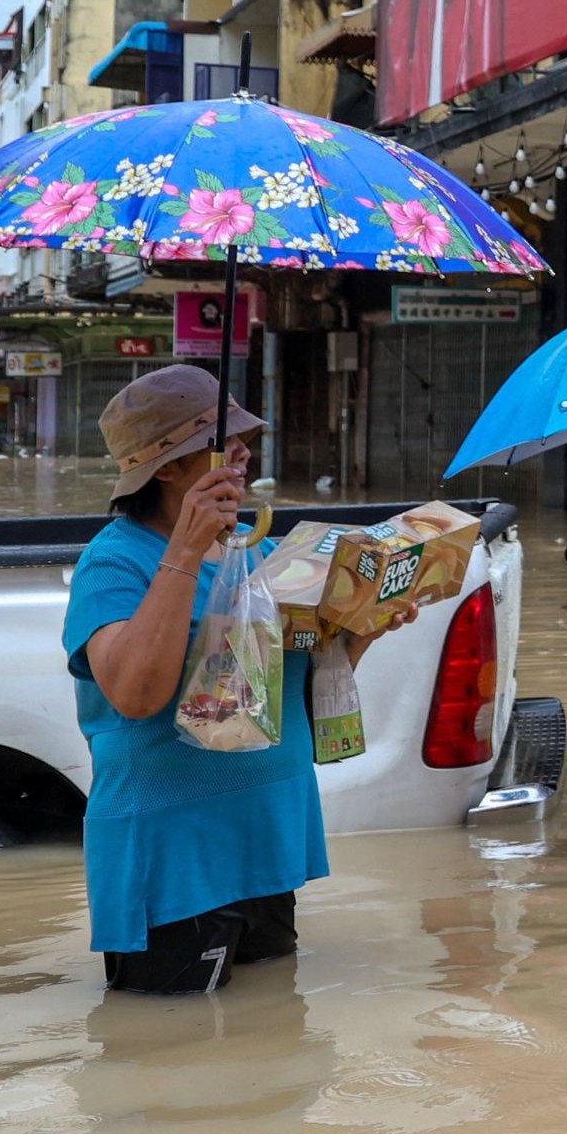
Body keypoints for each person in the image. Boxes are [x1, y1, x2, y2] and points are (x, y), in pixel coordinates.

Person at [66, 365, 413, 994]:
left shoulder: (255, 553)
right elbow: (135, 695)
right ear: (166, 468)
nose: (244, 453)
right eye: (222, 442)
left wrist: (364, 628)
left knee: (276, 1040)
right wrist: (187, 550)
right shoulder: (113, 561)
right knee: (169, 1055)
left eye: (244, 438)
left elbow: (275, 699)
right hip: (174, 844)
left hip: (263, 829)